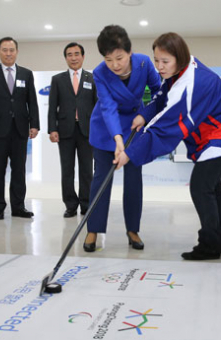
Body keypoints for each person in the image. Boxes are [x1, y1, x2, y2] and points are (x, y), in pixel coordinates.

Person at [114, 32, 221, 260]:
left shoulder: (191, 83)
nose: (159, 67)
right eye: (156, 60)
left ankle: (209, 245)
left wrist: (130, 153)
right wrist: (144, 115)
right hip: (215, 134)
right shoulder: (181, 70)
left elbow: (165, 128)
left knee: (200, 186)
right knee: (212, 187)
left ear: (179, 58)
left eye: (165, 61)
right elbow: (161, 96)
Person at [83, 25, 162, 252]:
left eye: (119, 58)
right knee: (101, 178)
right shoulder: (100, 72)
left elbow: (158, 93)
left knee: (134, 178)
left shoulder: (144, 63)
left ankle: (132, 229)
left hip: (135, 125)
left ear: (129, 52)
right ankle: (93, 229)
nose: (115, 65)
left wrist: (145, 115)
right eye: (109, 59)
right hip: (106, 128)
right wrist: (118, 141)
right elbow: (107, 108)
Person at [0, 37, 39, 220]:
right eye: (4, 50)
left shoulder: (26, 74)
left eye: (12, 50)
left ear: (17, 52)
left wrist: (34, 124)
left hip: (20, 130)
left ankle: (18, 207)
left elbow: (32, 101)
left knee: (19, 170)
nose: (8, 53)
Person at [48, 42, 97, 218]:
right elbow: (52, 107)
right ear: (66, 58)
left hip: (87, 131)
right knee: (67, 170)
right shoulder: (57, 79)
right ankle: (70, 205)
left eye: (77, 54)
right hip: (65, 131)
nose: (73, 57)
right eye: (69, 54)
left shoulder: (92, 79)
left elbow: (97, 106)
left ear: (83, 57)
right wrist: (52, 129)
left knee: (86, 170)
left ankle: (86, 204)